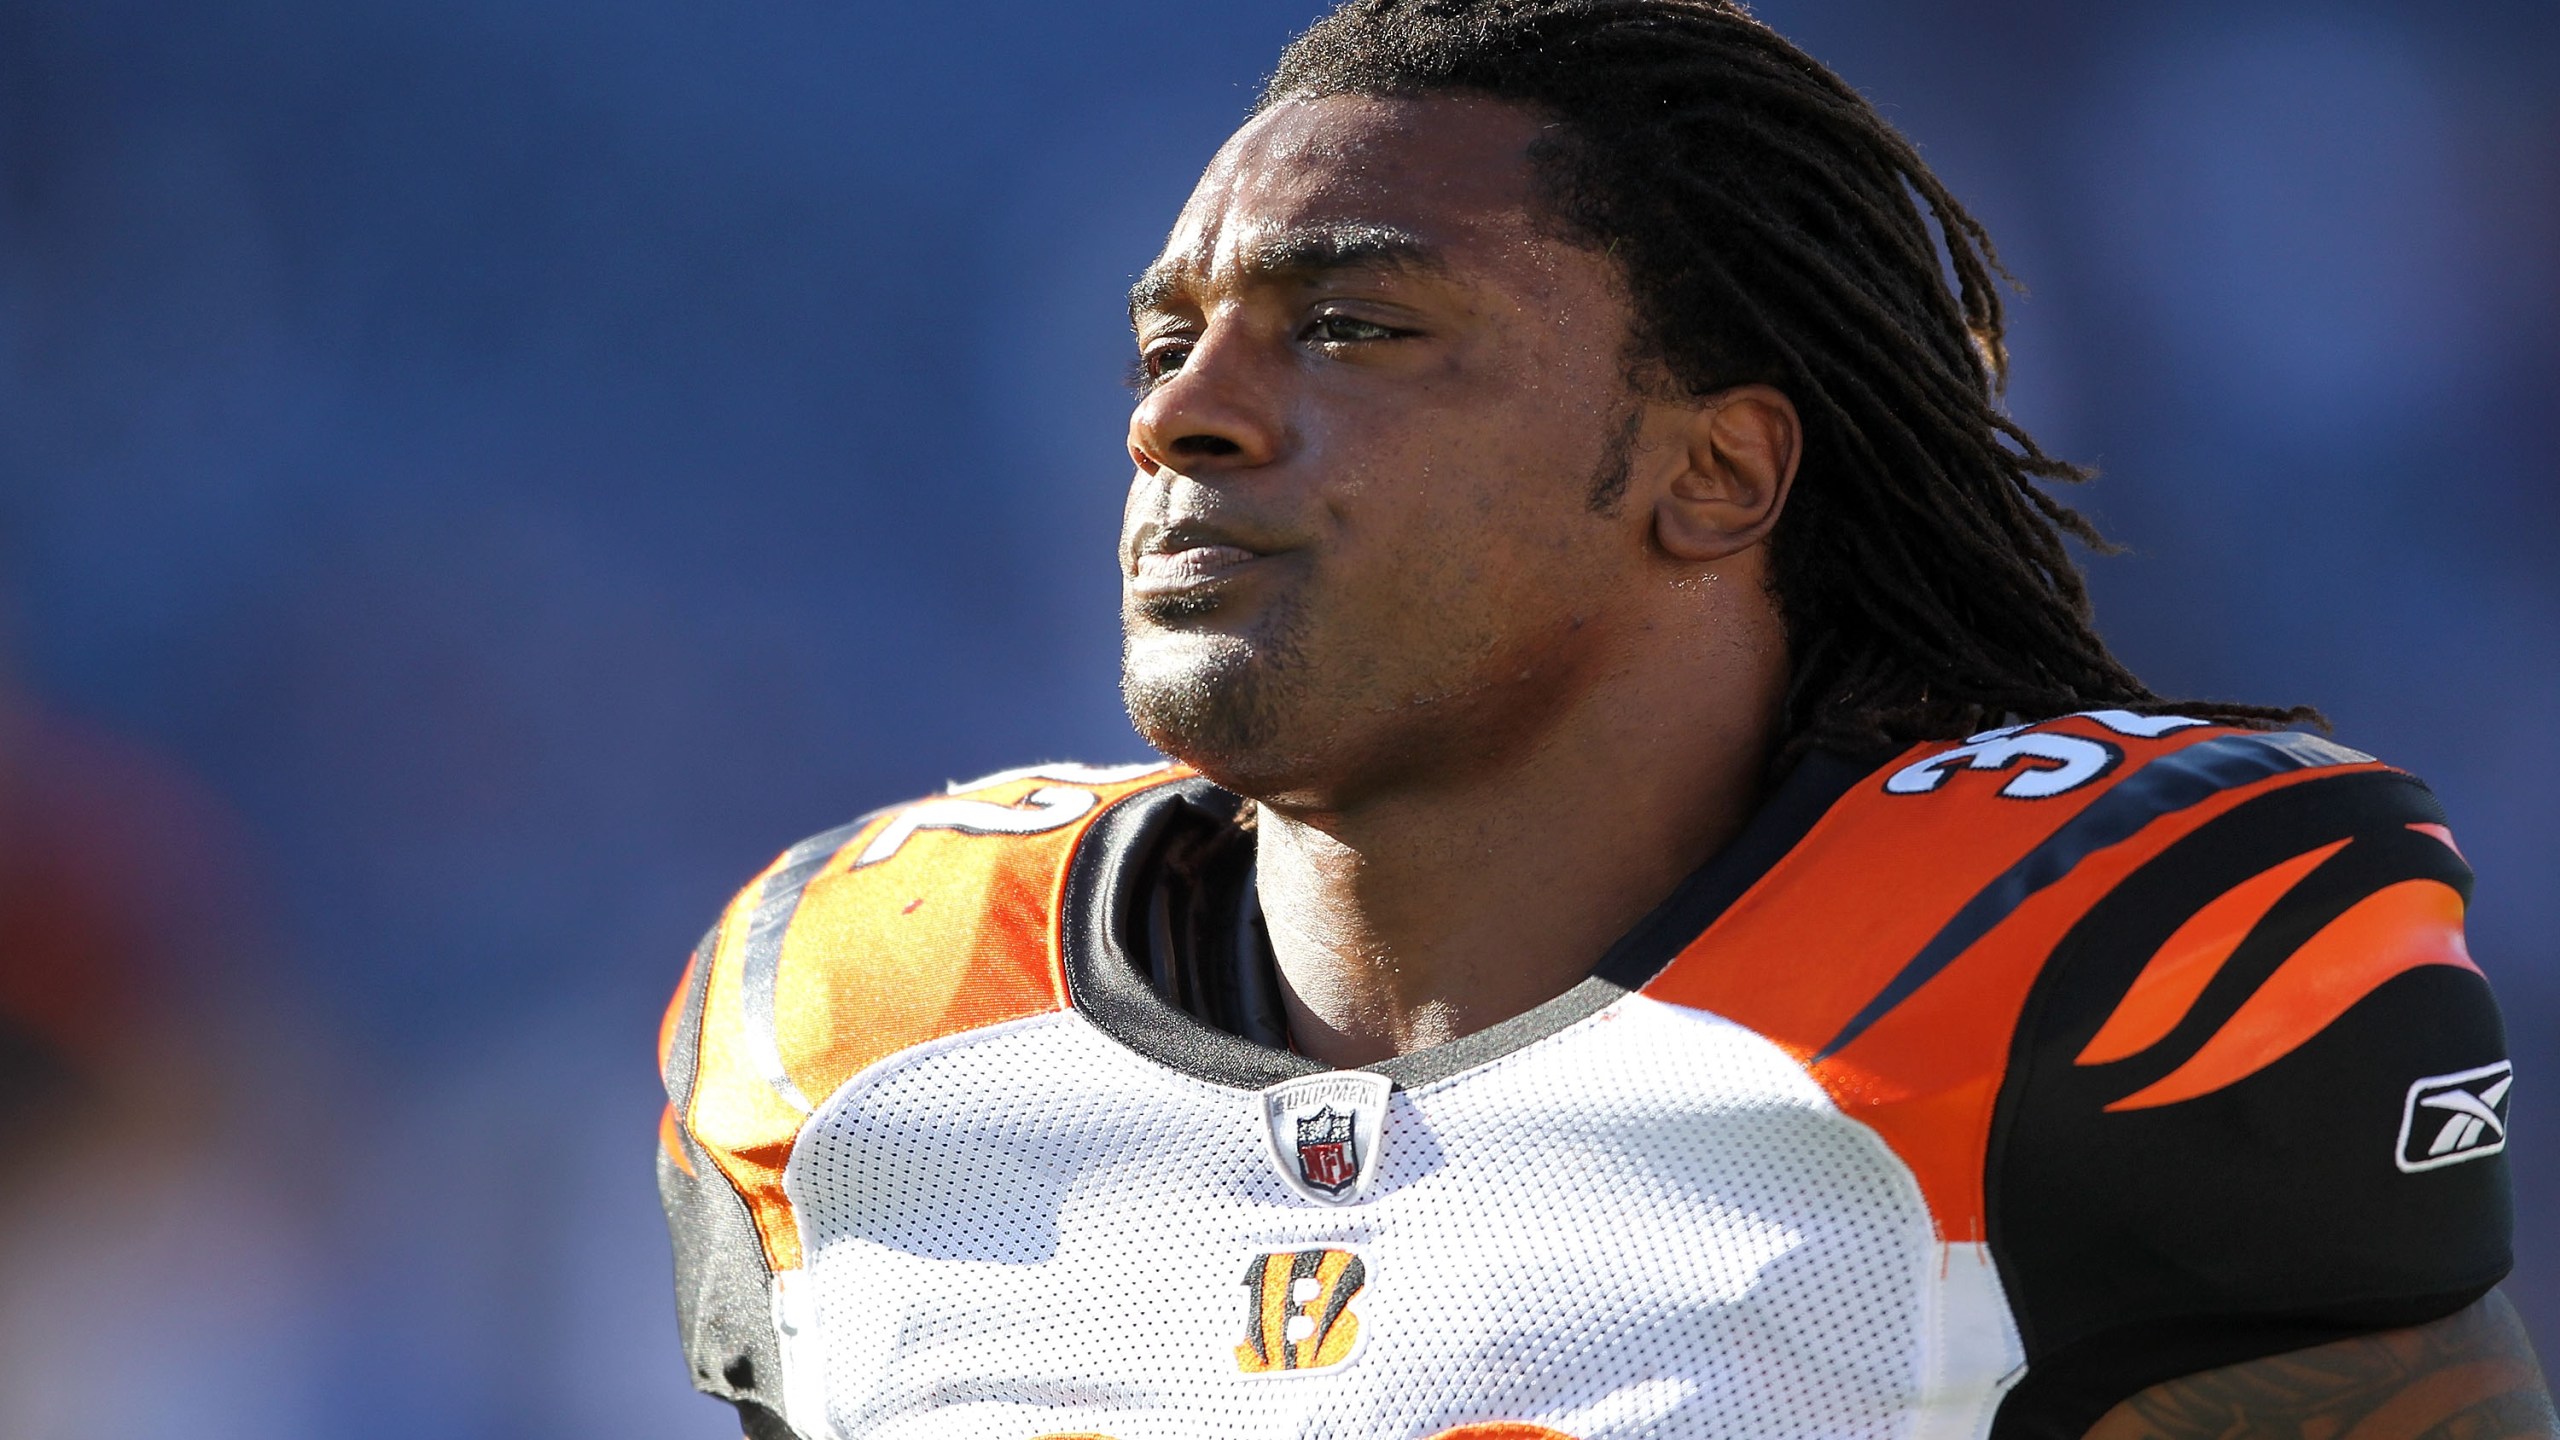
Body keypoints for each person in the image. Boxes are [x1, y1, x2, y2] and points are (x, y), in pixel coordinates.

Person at [654, 3, 2550, 1436]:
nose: (1180, 418)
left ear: (1714, 471)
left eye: (1357, 328)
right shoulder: (858, 1034)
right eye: (1167, 345)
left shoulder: (2084, 970)